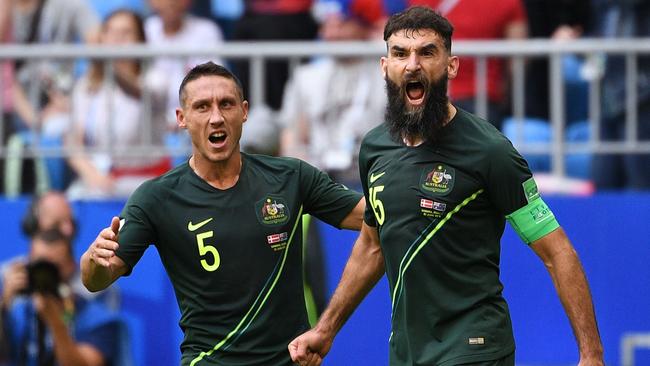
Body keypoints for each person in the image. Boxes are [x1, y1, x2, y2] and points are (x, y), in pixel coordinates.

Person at [289, 6, 604, 366]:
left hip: (475, 346)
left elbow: (557, 252)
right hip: (407, 351)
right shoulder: (375, 148)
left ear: (451, 66)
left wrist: (591, 355)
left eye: (427, 52)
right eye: (400, 54)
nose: (412, 65)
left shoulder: (489, 151)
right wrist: (326, 329)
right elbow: (372, 245)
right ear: (384, 66)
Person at [80, 62, 364, 366]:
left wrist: (328, 325)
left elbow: (374, 217)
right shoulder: (157, 197)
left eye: (226, 104)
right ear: (182, 118)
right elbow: (94, 279)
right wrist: (95, 259)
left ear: (243, 111)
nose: (216, 117)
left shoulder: (290, 177)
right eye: (202, 107)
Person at [65, 9, 170, 199]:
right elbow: (74, 143)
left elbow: (138, 91)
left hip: (149, 180)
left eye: (125, 33)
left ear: (140, 41)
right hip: (103, 180)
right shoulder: (86, 85)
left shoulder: (156, 79)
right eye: (110, 32)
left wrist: (109, 62)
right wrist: (93, 176)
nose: (116, 39)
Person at [0, 227, 122, 365]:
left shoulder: (98, 319)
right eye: (40, 266)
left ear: (72, 267)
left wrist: (55, 322)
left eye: (52, 268)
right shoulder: (19, 312)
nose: (45, 277)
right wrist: (4, 303)